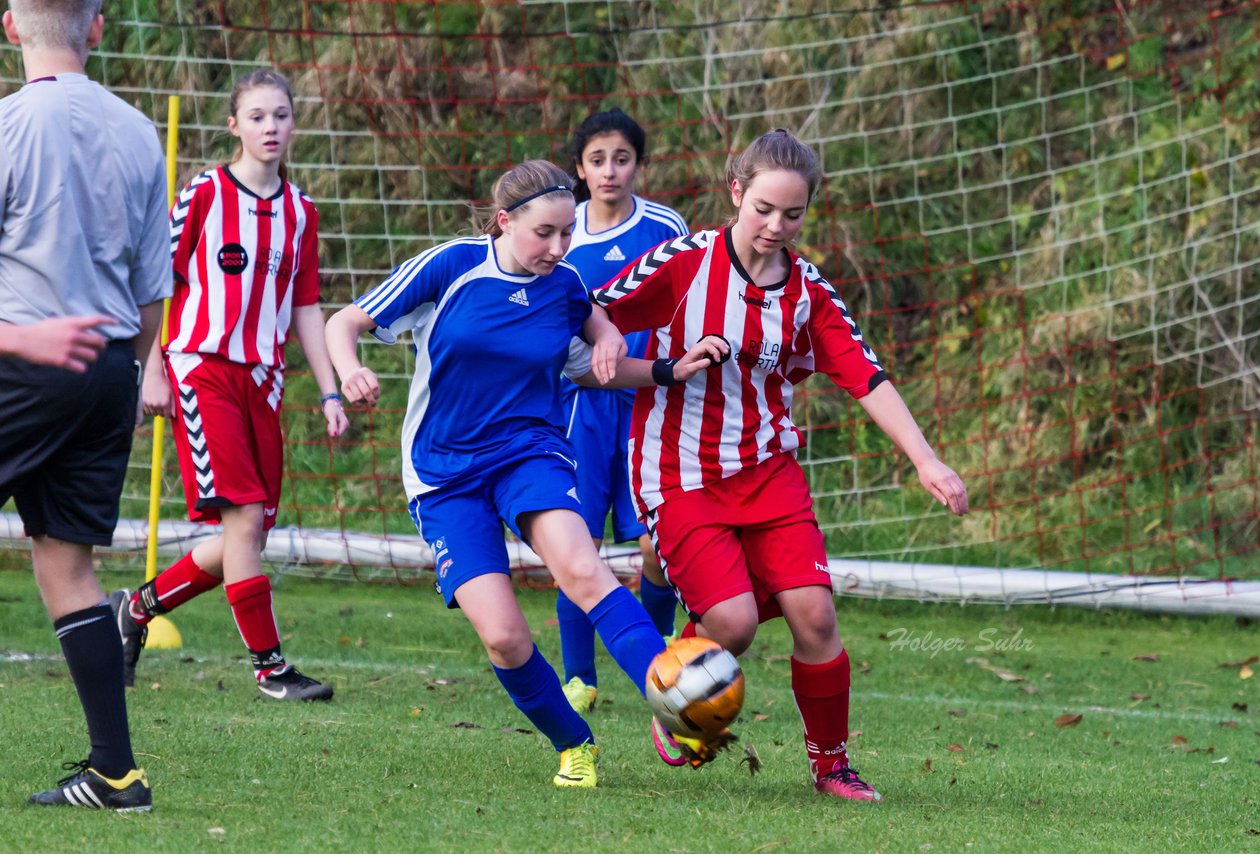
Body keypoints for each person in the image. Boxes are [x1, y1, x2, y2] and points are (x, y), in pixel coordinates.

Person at [594, 129, 970, 802]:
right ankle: (682, 695)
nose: (775, 225)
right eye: (763, 208)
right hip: (681, 476)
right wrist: (627, 361)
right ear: (736, 192)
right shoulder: (684, 263)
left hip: (769, 473)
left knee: (816, 617)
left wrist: (926, 459)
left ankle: (833, 768)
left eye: (792, 214)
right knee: (733, 625)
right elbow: (596, 316)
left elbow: (866, 376)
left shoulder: (809, 293)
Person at [325, 160, 726, 789]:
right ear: (505, 221)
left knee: (583, 568)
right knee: (506, 638)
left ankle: (678, 705)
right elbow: (342, 322)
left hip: (528, 452)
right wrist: (348, 369)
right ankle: (575, 742)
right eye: (545, 233)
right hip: (444, 473)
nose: (559, 248)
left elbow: (593, 366)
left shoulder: (564, 286)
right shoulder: (451, 267)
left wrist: (668, 370)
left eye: (568, 233)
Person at [110, 69, 348, 703]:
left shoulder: (301, 214)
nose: (272, 127)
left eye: (282, 116)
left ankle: (133, 611)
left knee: (248, 535)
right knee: (242, 519)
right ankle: (271, 670)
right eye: (258, 116)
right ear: (234, 125)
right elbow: (156, 277)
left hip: (263, 382)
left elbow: (305, 307)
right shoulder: (206, 194)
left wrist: (329, 392)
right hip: (200, 366)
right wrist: (152, 366)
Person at [0, 0, 168, 811]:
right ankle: (115, 774)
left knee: (65, 561)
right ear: (96, 28)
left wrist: (25, 344)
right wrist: (130, 377)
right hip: (108, 369)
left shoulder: (7, 126)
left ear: (9, 29)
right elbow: (151, 292)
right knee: (65, 561)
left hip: (25, 360)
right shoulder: (139, 133)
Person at [554, 109, 688, 738]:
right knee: (573, 541)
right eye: (597, 160)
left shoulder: (667, 229)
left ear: (639, 162)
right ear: (579, 169)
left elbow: (687, 306)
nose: (610, 170)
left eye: (622, 158)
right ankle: (578, 680)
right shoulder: (560, 235)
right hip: (579, 409)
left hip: (649, 404)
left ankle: (654, 641)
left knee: (658, 545)